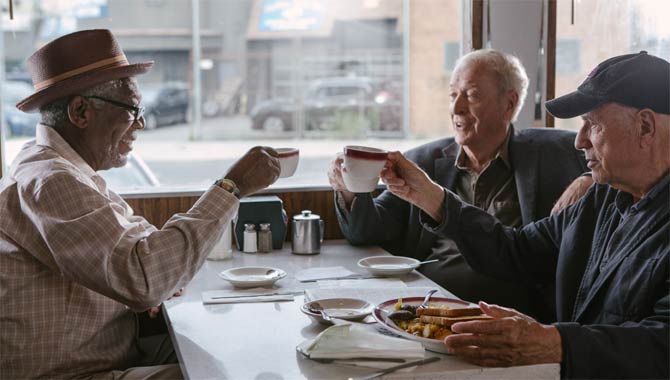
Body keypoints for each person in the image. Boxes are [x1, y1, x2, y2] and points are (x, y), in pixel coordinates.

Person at [0, 30, 280, 379]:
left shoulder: (62, 168)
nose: (141, 123)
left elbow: (137, 243)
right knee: (228, 371)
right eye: (133, 109)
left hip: (107, 348)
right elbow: (144, 277)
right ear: (81, 111)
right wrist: (231, 187)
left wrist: (158, 276)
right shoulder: (51, 180)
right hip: (71, 371)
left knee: (237, 343)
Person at [379, 51, 669, 379]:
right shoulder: (603, 196)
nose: (579, 140)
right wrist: (432, 197)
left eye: (593, 123)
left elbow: (661, 344)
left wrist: (555, 343)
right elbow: (518, 251)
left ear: (645, 126)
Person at [328, 49, 590, 320]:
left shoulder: (554, 153)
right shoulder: (424, 161)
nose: (456, 108)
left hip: (514, 315)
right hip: (429, 308)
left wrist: (589, 179)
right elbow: (366, 231)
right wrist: (349, 188)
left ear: (509, 104)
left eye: (472, 95)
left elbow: (619, 163)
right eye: (453, 95)